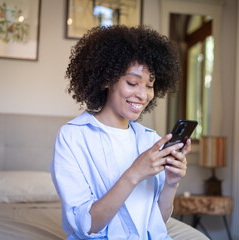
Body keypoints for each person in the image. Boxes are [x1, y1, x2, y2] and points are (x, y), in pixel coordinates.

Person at [50, 24, 190, 240]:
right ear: (107, 79)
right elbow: (86, 226)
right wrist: (134, 173)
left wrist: (172, 182)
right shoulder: (72, 138)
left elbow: (157, 224)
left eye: (150, 85)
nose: (143, 95)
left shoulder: (150, 140)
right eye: (133, 82)